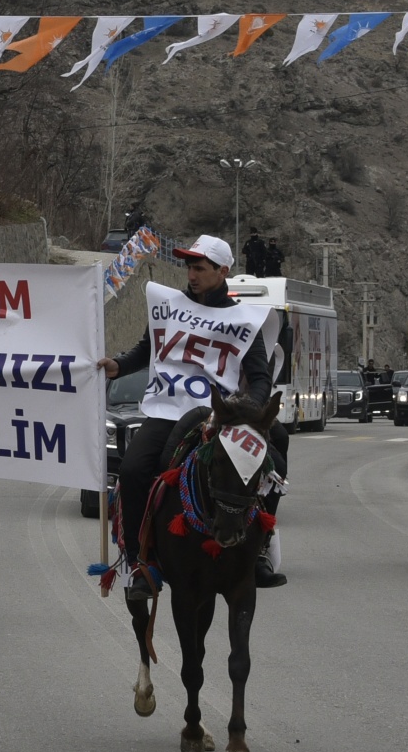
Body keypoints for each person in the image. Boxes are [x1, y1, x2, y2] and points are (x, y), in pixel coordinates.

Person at [97, 234, 287, 599]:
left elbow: (260, 378)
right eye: (189, 267)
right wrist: (117, 366)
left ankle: (259, 549)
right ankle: (140, 563)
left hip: (221, 417)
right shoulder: (169, 307)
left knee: (276, 459)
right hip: (168, 410)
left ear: (222, 271)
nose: (192, 275)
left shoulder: (244, 320)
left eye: (199, 268)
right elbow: (146, 350)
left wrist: (247, 412)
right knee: (133, 470)